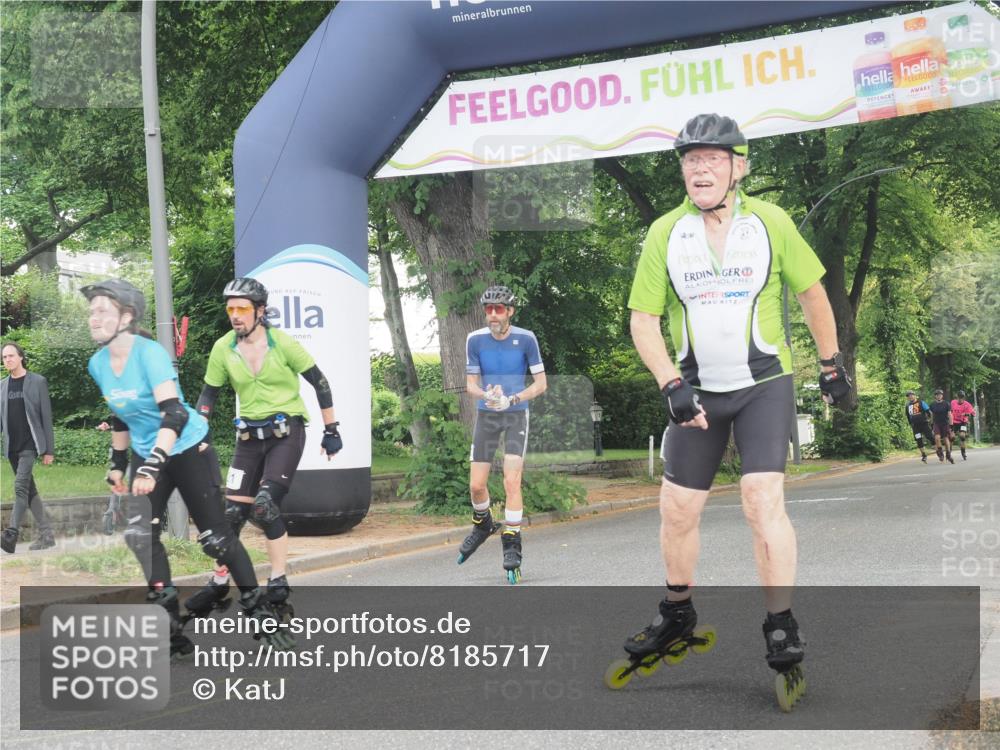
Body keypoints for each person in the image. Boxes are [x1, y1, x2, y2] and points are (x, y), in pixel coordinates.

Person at [622, 113, 850, 708]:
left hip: (763, 386)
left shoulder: (770, 222)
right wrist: (670, 382)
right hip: (695, 392)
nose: (699, 168)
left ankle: (781, 620)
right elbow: (643, 320)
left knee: (760, 498)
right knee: (676, 507)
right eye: (690, 160)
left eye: (712, 158)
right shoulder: (663, 233)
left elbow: (811, 292)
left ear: (738, 167)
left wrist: (831, 365)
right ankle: (677, 612)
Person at [81, 279, 288, 658]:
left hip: (188, 446)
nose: (93, 317)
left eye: (103, 311)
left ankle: (260, 612)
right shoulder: (98, 363)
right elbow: (120, 414)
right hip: (149, 452)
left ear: (126, 316)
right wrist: (118, 464)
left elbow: (174, 413)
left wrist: (151, 468)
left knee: (216, 538)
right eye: (91, 311)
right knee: (139, 534)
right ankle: (168, 619)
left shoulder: (150, 354)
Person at [186, 278, 342, 619]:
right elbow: (208, 396)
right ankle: (218, 582)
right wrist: (197, 433)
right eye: (230, 309)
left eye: (242, 309)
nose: (235, 316)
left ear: (260, 311)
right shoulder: (223, 348)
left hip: (286, 433)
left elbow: (321, 383)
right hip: (248, 440)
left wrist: (331, 429)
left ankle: (277, 581)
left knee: (265, 507)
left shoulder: (282, 344)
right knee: (230, 516)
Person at [457, 284, 547, 584]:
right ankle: (483, 524)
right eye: (488, 309)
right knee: (476, 486)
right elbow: (470, 385)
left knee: (511, 480)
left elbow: (541, 384)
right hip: (487, 414)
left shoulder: (526, 339)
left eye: (498, 309)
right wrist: (487, 394)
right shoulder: (475, 340)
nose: (492, 315)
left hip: (515, 414)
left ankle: (512, 542)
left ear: (510, 311)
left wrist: (513, 398)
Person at [1, 342, 56, 553]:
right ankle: (47, 535)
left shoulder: (37, 382)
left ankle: (10, 535)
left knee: (20, 487)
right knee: (30, 491)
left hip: (29, 445)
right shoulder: (2, 385)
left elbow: (46, 417)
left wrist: (49, 450)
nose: (7, 360)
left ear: (21, 357)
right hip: (12, 447)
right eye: (4, 357)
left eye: (11, 356)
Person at [904, 390, 934, 463]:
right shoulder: (907, 406)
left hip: (924, 423)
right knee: (918, 439)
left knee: (930, 437)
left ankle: (938, 450)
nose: (910, 397)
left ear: (914, 395)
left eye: (911, 395)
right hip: (915, 426)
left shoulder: (921, 402)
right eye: (908, 396)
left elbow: (929, 412)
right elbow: (908, 416)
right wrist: (911, 424)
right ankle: (924, 455)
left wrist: (930, 421)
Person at [928, 388, 954, 464]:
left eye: (940, 395)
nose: (939, 396)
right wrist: (932, 424)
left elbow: (950, 415)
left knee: (946, 439)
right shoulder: (932, 405)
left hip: (945, 423)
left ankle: (948, 454)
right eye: (937, 395)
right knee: (937, 437)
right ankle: (940, 453)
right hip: (936, 423)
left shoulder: (946, 404)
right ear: (935, 396)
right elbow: (932, 415)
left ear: (942, 396)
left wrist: (951, 425)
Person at [950, 390, 975, 461]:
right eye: (959, 397)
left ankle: (963, 452)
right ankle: (949, 452)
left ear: (964, 398)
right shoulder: (953, 402)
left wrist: (966, 414)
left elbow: (973, 414)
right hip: (954, 422)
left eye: (962, 397)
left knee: (962, 436)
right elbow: (949, 411)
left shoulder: (967, 404)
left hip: (962, 422)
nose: (960, 399)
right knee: (951, 437)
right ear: (957, 397)